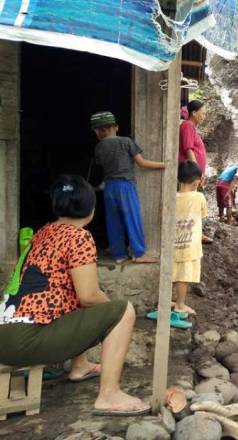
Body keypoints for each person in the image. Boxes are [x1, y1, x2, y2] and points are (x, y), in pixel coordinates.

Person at [0, 175, 149, 416]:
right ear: (91, 209)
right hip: (26, 341)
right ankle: (109, 395)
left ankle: (80, 365)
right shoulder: (79, 236)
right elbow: (89, 296)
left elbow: (70, 296)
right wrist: (116, 315)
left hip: (4, 335)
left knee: (69, 295)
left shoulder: (42, 232)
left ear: (56, 206)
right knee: (123, 311)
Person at [91, 111, 164, 264]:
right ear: (115, 127)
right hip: (125, 186)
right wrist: (165, 164)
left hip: (109, 188)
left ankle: (119, 255)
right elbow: (142, 163)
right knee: (132, 219)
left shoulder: (99, 147)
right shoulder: (126, 142)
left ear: (99, 131)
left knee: (113, 221)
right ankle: (139, 254)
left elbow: (101, 168)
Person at [173, 161, 207, 320]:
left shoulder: (171, 197)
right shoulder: (199, 197)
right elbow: (203, 215)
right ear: (197, 181)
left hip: (172, 243)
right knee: (184, 276)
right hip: (190, 245)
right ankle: (180, 304)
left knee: (171, 273)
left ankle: (167, 301)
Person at [178, 100, 213, 243]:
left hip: (192, 173)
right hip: (190, 173)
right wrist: (197, 171)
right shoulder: (188, 125)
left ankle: (195, 231)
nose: (204, 116)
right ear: (193, 113)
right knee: (192, 202)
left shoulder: (191, 127)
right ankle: (195, 233)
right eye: (203, 113)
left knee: (193, 202)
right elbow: (188, 149)